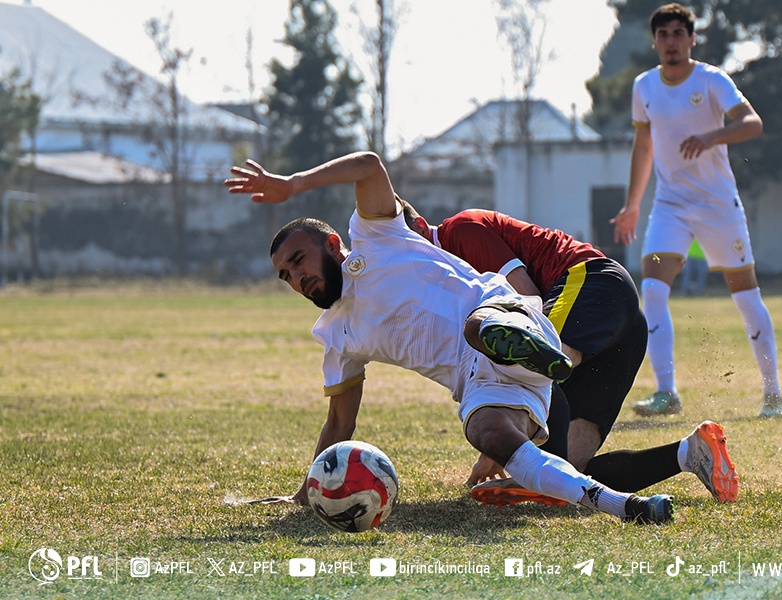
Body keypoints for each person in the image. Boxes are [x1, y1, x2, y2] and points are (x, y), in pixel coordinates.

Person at [224, 151, 673, 524]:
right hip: (478, 380)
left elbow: (368, 165)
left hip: (502, 312)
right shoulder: (337, 339)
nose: (296, 278)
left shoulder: (376, 234)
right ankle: (625, 504)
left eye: (299, 261)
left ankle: (530, 346)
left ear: (333, 245)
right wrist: (305, 494)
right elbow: (340, 424)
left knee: (479, 327)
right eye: (286, 276)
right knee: (484, 430)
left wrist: (293, 183)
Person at [399, 203, 739, 505]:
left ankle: (532, 481)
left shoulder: (460, 229)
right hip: (620, 319)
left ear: (417, 228)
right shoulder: (445, 276)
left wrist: (502, 437)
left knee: (536, 370)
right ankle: (691, 453)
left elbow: (527, 301)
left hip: (591, 281)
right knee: (569, 472)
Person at [610, 2, 782, 419]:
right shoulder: (644, 87)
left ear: (692, 39)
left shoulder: (711, 80)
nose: (671, 42)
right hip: (670, 205)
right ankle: (667, 392)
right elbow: (644, 146)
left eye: (678, 33)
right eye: (663, 35)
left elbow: (752, 122)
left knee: (745, 295)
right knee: (651, 289)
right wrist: (632, 205)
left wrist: (710, 137)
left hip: (717, 204)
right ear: (654, 42)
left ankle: (773, 392)